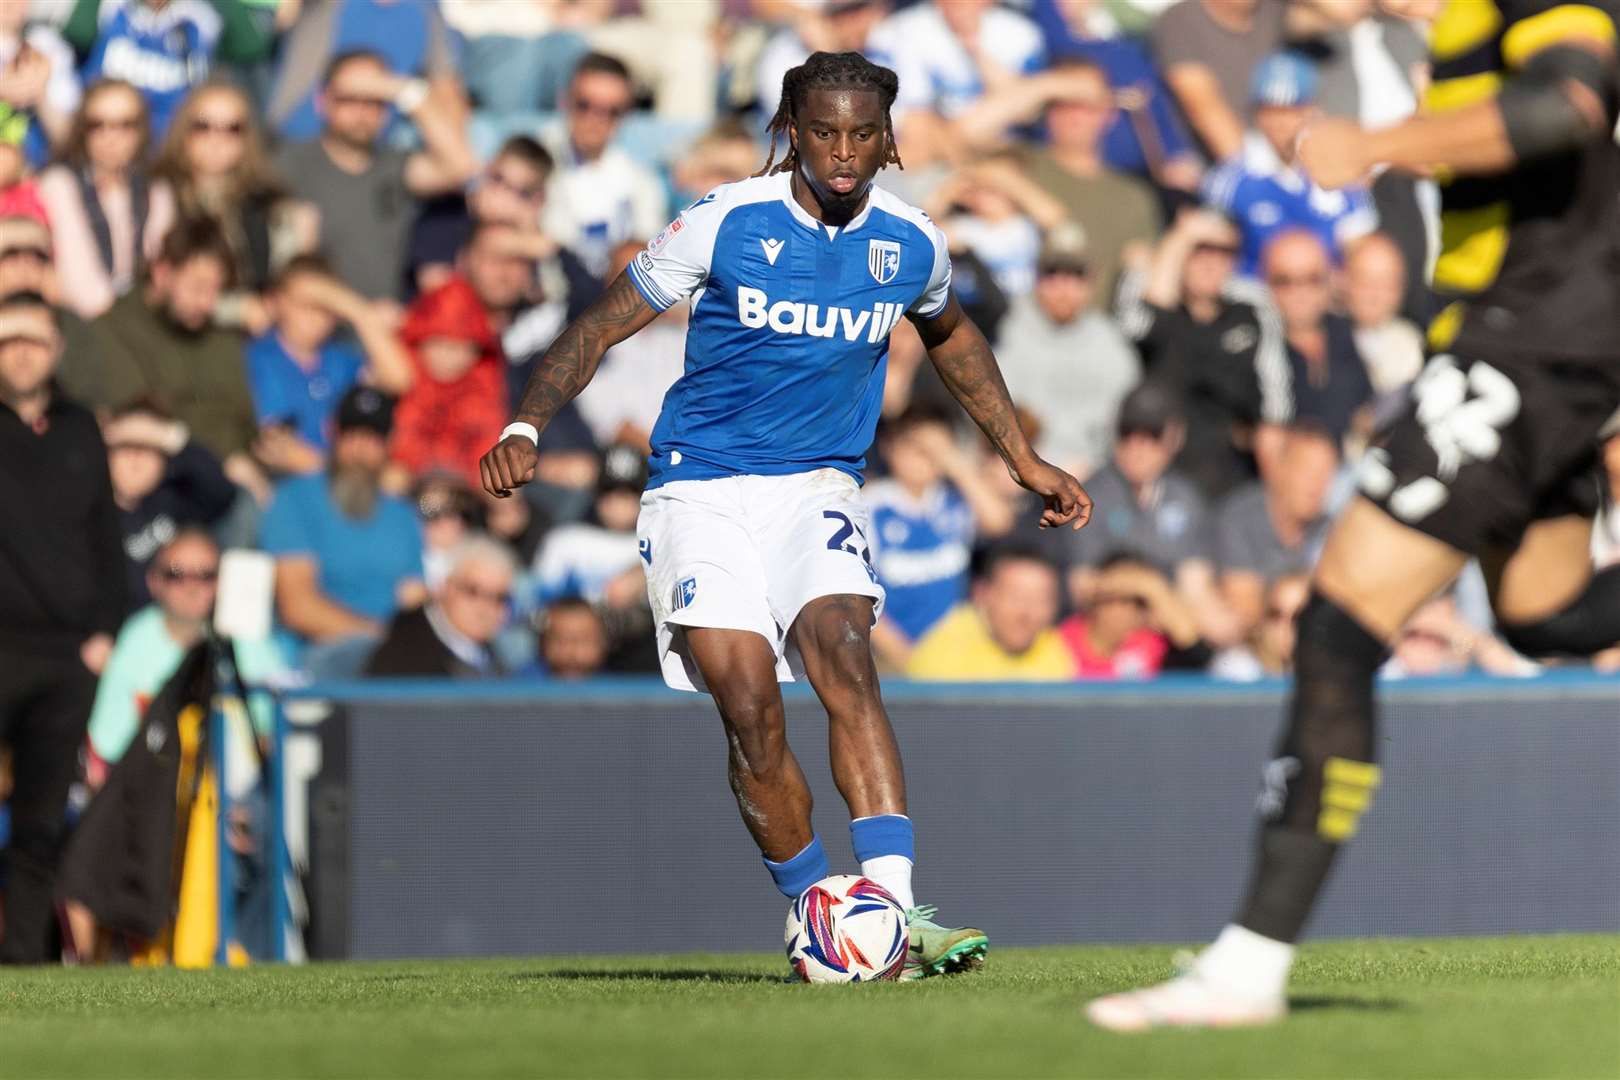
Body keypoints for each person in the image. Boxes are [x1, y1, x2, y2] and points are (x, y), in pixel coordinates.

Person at [480, 51, 1090, 979]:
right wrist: (527, 422)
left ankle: (892, 913)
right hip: (700, 487)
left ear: (888, 140)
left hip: (817, 487)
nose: (843, 152)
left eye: (862, 134)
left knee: (845, 653)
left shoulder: (911, 240)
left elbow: (952, 334)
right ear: (791, 133)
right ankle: (815, 909)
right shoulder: (725, 222)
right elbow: (601, 322)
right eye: (824, 132)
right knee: (749, 701)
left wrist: (1021, 458)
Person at [1088, 1, 1620, 1027]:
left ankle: (1246, 968)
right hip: (1530, 335)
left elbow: (1568, 106)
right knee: (1542, 613)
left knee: (1336, 631)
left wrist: (1374, 146)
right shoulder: (1439, 26)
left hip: (1534, 337)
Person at [0, 291, 125, 963]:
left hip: (67, 657)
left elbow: (107, 535)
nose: (21, 351)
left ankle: (21, 964)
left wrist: (105, 629)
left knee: (41, 824)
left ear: (56, 350)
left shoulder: (80, 427)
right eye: (8, 338)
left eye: (34, 339)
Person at [275, 49, 477, 301]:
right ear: (322, 101)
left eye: (374, 100)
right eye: (349, 98)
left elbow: (461, 167)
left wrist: (401, 90)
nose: (362, 112)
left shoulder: (394, 164)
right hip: (321, 328)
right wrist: (362, 315)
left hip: (387, 326)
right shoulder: (291, 164)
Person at [1115, 207, 1290, 497]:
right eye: (1200, 249)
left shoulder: (1252, 314)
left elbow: (1276, 412)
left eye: (1224, 252)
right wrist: (1179, 238)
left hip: (1233, 470)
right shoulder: (1156, 305)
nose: (1211, 263)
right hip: (1159, 472)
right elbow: (1134, 326)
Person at [954, 58, 1163, 302]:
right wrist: (1050, 85)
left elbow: (1143, 282)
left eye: (1086, 105)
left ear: (1109, 113)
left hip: (1097, 332)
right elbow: (961, 136)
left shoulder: (1133, 195)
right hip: (1019, 326)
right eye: (1062, 103)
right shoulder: (1021, 161)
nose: (1074, 114)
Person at [261, 385, 426, 679]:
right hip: (318, 657)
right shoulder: (294, 499)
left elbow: (414, 599)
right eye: (352, 435)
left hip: (392, 660)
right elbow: (298, 607)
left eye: (373, 438)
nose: (361, 449)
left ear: (389, 442)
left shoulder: (402, 514)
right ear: (333, 434)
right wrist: (382, 638)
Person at [1062, 382, 1240, 647]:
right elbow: (1083, 588)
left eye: (1152, 434)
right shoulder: (1089, 495)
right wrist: (1149, 589)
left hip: (1168, 629)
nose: (1137, 445)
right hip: (1106, 635)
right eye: (1128, 432)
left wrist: (1164, 600)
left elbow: (1196, 585)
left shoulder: (1185, 498)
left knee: (1225, 631)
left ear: (1175, 438)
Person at [92, 217, 261, 466]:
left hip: (236, 471)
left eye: (216, 290)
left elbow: (245, 419)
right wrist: (226, 456)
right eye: (198, 287)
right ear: (162, 273)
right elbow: (144, 418)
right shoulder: (114, 329)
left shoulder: (220, 338)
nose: (208, 303)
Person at [1201, 52, 1379, 278]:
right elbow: (1209, 261)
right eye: (1271, 111)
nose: (1281, 124)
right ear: (1257, 115)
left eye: (1292, 111)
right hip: (1252, 298)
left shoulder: (1340, 174)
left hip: (1327, 300)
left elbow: (1360, 251)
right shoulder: (1232, 178)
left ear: (1312, 111)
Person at [151, 80, 314, 328]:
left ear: (247, 138)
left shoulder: (271, 202)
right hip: (177, 332)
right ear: (183, 130)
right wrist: (236, 310)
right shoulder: (159, 195)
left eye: (232, 129)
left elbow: (290, 280)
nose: (217, 139)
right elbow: (155, 286)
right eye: (203, 126)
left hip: (259, 337)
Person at [865, 406, 1013, 670]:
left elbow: (999, 522)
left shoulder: (955, 500)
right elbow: (860, 595)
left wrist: (957, 467)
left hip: (955, 653)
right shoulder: (872, 505)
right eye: (916, 448)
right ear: (891, 447)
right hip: (892, 657)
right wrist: (905, 656)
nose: (925, 459)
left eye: (936, 451)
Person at [993, 222, 1140, 480]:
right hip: (1014, 472)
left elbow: (1125, 432)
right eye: (1052, 273)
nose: (1063, 287)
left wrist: (1094, 468)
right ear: (1036, 277)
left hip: (1091, 476)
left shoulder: (1110, 345)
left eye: (1075, 275)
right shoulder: (1007, 330)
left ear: (1091, 281)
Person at [246, 255, 415, 466]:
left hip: (336, 482)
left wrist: (356, 311)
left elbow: (400, 379)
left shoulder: (340, 359)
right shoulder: (258, 357)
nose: (315, 315)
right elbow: (277, 448)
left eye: (325, 306)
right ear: (276, 301)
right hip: (283, 487)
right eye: (305, 304)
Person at [36, 79, 176, 320]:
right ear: (83, 130)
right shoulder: (58, 184)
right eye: (97, 125)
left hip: (143, 321)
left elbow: (159, 270)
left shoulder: (157, 191)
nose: (111, 136)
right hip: (82, 324)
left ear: (141, 130)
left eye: (125, 125)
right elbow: (78, 282)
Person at [539, 53, 667, 279]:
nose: (596, 119)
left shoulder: (641, 182)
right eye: (585, 105)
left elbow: (648, 266)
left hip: (611, 304)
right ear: (565, 101)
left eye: (612, 111)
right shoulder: (535, 162)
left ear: (626, 114)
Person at [63, 0, 273, 138]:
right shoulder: (110, 6)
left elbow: (250, 47)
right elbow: (77, 32)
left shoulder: (203, 14)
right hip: (103, 139)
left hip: (172, 155)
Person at [104, 399, 237, 605]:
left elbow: (221, 490)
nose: (136, 457)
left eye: (149, 447)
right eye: (125, 446)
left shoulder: (173, 502)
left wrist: (169, 436)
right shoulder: (88, 514)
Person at [1215, 422, 1339, 638]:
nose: (1317, 484)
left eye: (1325, 474)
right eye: (1307, 471)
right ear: (1279, 468)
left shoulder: (1332, 529)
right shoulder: (1240, 518)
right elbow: (1243, 610)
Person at [392, 274, 508, 487]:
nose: (449, 358)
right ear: (420, 341)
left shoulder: (484, 388)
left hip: (461, 496)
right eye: (440, 344)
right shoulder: (399, 376)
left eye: (462, 347)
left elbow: (488, 448)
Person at [1262, 228, 1374, 448]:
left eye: (1312, 279)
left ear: (1329, 279)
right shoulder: (1250, 344)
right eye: (1284, 280)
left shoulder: (1344, 332)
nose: (1299, 292)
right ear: (1265, 281)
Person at [905, 545, 1075, 681]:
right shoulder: (941, 656)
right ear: (983, 594)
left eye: (1041, 600)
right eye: (1016, 596)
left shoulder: (1055, 649)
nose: (1027, 613)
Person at [1151, 0, 1287, 163]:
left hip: (1290, 149)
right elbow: (1205, 111)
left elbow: (1323, 15)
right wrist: (1254, 174)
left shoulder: (1275, 9)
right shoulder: (1179, 21)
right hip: (1223, 163)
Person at [365, 534, 516, 678]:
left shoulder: (496, 657)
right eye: (473, 591)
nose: (486, 608)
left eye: (500, 598)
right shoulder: (402, 654)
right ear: (446, 587)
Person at [1058, 552, 1208, 679]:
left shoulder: (1153, 645)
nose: (1128, 611)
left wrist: (1155, 590)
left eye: (1139, 601)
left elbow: (1199, 658)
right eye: (1117, 598)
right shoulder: (1063, 644)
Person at [1342, 232, 1424, 398]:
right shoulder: (1319, 341)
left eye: (1387, 284)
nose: (1375, 295)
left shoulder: (1411, 345)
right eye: (1365, 281)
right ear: (1344, 281)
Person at [538, 595, 610, 680]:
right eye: (561, 641)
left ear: (603, 644)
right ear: (543, 644)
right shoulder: (525, 682)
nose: (571, 653)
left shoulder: (619, 685)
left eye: (584, 642)